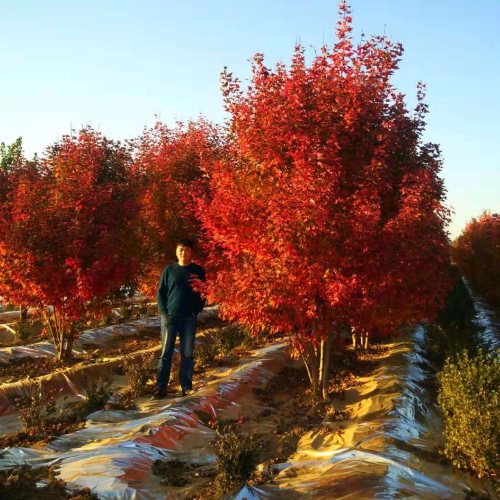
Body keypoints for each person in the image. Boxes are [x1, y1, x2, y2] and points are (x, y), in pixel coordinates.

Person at [154, 239, 206, 399]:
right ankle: (160, 387)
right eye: (181, 250)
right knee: (166, 353)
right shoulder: (169, 270)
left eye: (187, 250)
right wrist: (164, 312)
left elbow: (203, 293)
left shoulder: (198, 271)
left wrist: (196, 310)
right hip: (170, 317)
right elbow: (160, 292)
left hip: (188, 318)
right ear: (177, 252)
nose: (184, 253)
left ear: (192, 252)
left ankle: (186, 386)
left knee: (187, 353)